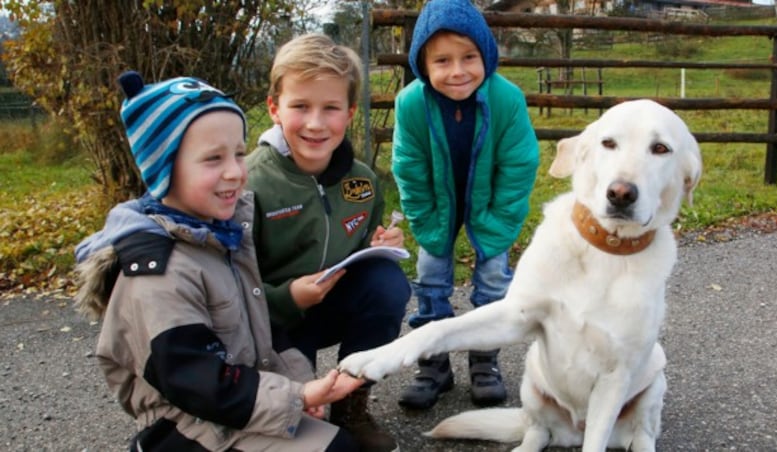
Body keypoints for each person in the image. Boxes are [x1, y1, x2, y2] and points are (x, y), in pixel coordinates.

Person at [73, 71, 365, 451]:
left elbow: (265, 330)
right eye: (213, 159)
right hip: (188, 422)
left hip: (236, 404)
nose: (234, 172)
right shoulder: (156, 273)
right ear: (164, 171)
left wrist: (302, 391)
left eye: (239, 154)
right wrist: (298, 398)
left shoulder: (223, 235)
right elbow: (196, 380)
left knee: (341, 445)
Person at [245, 34, 411, 452]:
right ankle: (291, 400)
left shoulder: (362, 180)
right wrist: (287, 298)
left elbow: (362, 245)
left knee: (387, 282)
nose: (316, 123)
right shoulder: (248, 183)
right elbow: (227, 287)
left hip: (329, 305)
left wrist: (382, 242)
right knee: (301, 431)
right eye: (300, 106)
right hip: (270, 320)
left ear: (350, 112)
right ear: (274, 108)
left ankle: (352, 406)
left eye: (330, 108)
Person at [391, 0, 540, 410]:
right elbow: (408, 166)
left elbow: (519, 164)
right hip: (438, 204)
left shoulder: (507, 99)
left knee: (493, 279)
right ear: (423, 64)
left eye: (469, 57)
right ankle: (433, 362)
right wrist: (423, 220)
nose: (457, 71)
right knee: (430, 277)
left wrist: (499, 222)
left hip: (489, 204)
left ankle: (483, 358)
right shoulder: (412, 104)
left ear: (486, 56)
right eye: (442, 60)